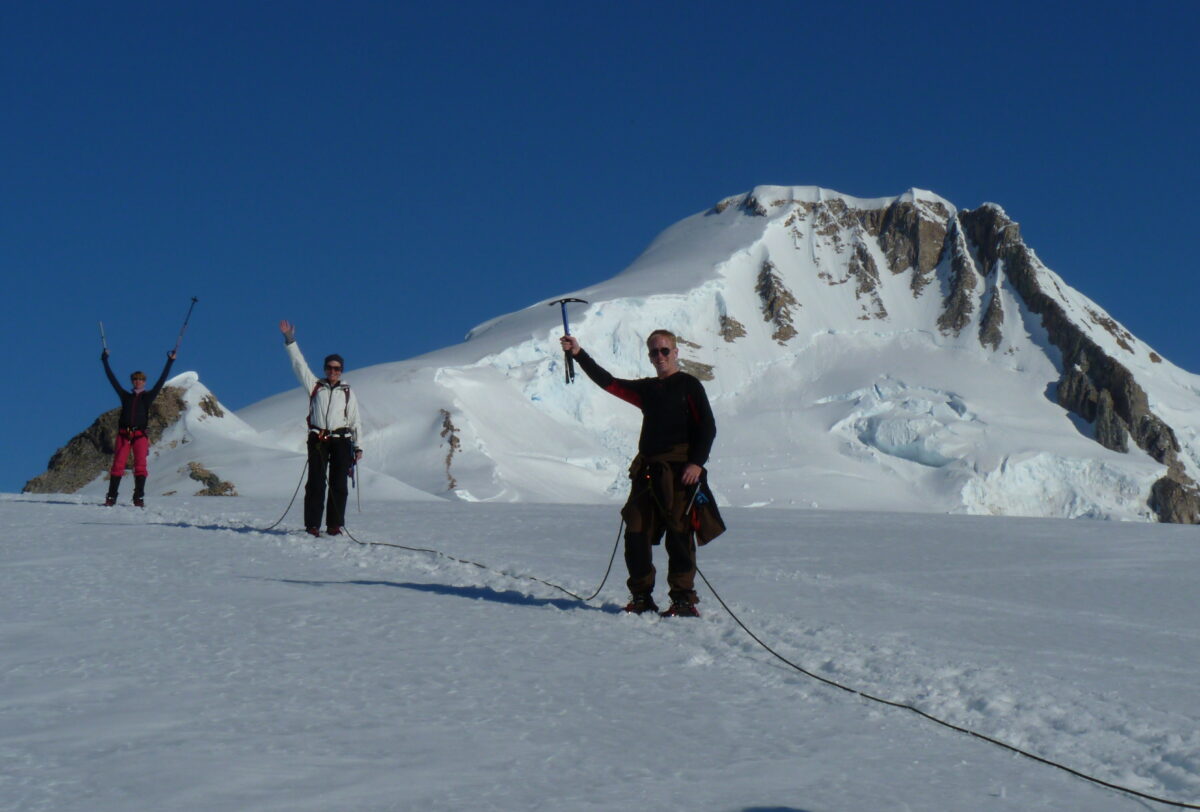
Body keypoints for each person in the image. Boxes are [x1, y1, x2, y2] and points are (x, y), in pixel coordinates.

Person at [560, 329, 722, 617]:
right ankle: (641, 597)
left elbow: (707, 427)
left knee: (679, 535)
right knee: (635, 530)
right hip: (648, 471)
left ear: (675, 352)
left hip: (680, 472)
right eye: (653, 352)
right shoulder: (648, 390)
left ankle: (683, 600)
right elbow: (609, 383)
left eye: (664, 350)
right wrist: (578, 354)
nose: (659, 356)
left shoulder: (689, 386)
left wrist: (696, 463)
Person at [279, 320, 363, 537]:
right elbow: (299, 364)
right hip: (318, 439)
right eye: (330, 367)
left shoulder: (348, 392)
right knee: (315, 482)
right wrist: (290, 339)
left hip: (342, 440)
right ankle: (312, 525)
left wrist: (359, 446)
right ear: (325, 369)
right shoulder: (315, 385)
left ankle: (334, 525)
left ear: (341, 371)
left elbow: (355, 420)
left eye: (337, 368)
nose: (333, 371)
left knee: (339, 485)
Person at [101, 348, 177, 507]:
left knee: (140, 466)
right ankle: (111, 497)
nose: (138, 381)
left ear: (144, 381)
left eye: (141, 379)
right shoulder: (125, 396)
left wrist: (170, 361)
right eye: (135, 379)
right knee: (118, 466)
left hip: (140, 435)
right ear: (132, 381)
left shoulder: (148, 397)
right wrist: (105, 360)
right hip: (124, 434)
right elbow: (112, 379)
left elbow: (162, 380)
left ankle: (138, 497)